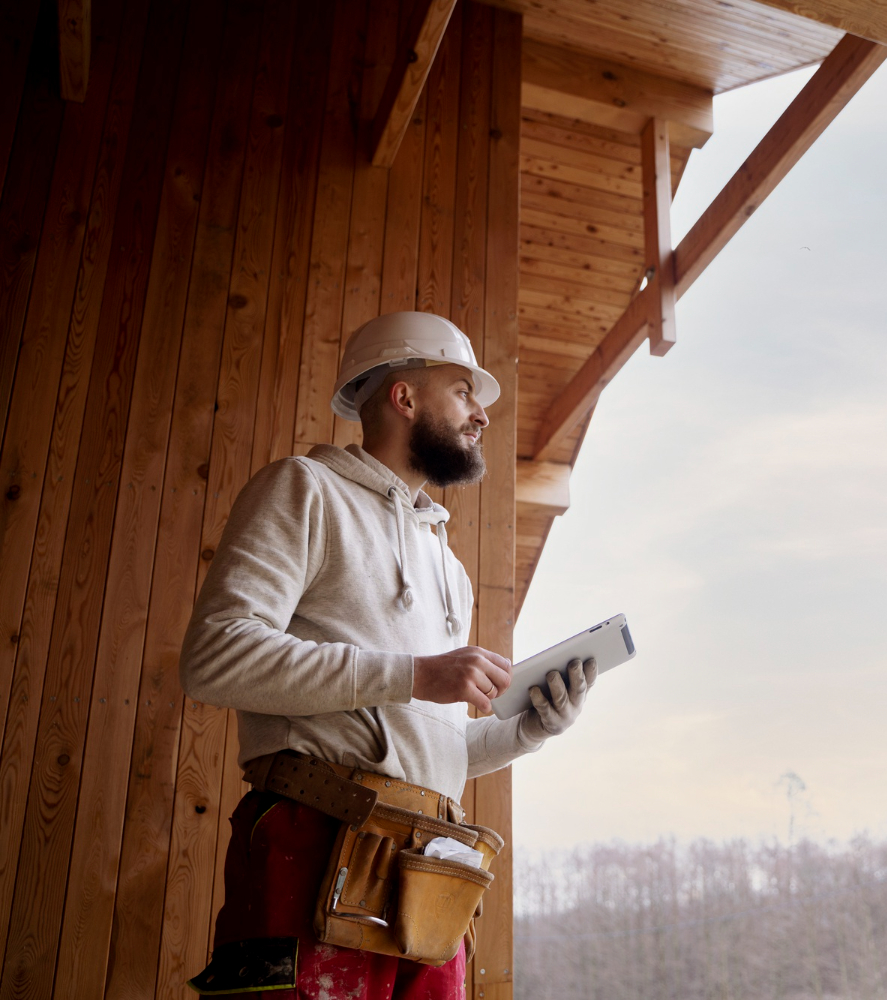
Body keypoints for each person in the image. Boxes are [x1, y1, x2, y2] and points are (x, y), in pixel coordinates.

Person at [180, 311, 593, 999]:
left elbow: (424, 744)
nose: (482, 416)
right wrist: (415, 674)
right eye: (463, 391)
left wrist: (528, 729)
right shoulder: (303, 491)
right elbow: (215, 657)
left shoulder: (447, 564)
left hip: (430, 877)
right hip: (311, 850)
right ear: (404, 398)